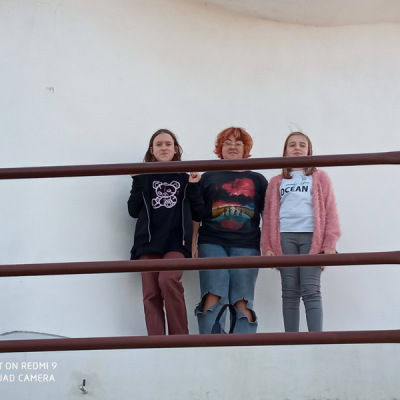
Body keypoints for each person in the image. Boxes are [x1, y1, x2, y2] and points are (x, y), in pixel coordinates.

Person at [261, 131, 341, 332]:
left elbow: (330, 209)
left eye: (302, 145)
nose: (297, 148)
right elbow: (269, 216)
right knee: (289, 291)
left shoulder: (319, 177)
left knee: (310, 289)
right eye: (292, 145)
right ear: (285, 152)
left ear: (309, 151)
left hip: (311, 238)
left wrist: (329, 242)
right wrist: (268, 246)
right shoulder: (276, 181)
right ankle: (291, 340)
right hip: (284, 238)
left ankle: (316, 339)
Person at [128, 129, 203, 336]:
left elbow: (199, 212)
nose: (164, 148)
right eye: (159, 144)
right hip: (148, 242)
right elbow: (133, 211)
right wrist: (137, 181)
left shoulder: (186, 177)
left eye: (168, 144)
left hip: (176, 243)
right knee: (151, 293)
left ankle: (179, 339)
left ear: (175, 149)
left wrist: (194, 187)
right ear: (152, 150)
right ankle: (156, 342)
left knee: (168, 279)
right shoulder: (144, 177)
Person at [193, 127, 268, 334]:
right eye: (227, 142)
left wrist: (269, 246)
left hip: (247, 244)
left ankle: (243, 347)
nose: (232, 146)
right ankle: (211, 345)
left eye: (237, 143)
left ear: (246, 148)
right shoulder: (208, 177)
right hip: (211, 242)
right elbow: (196, 214)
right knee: (212, 296)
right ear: (220, 148)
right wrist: (192, 244)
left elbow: (267, 215)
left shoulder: (258, 179)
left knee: (242, 300)